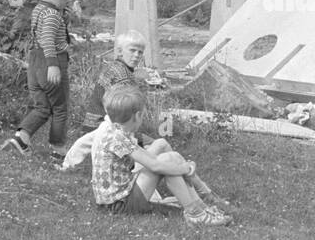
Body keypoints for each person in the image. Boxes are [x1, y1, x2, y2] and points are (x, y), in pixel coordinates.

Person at [62, 85, 232, 226]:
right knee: (166, 161)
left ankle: (199, 207)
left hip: (118, 198)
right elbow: (155, 166)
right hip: (119, 205)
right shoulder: (118, 137)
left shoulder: (113, 129)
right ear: (137, 116)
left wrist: (180, 165)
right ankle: (196, 213)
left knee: (169, 157)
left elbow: (144, 157)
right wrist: (185, 168)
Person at [2, 0, 76, 163]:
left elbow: (45, 31)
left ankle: (21, 138)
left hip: (34, 63)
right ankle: (58, 149)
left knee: (42, 106)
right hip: (51, 61)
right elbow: (48, 39)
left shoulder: (40, 9)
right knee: (60, 108)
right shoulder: (52, 15)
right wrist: (53, 65)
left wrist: (66, 14)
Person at [81, 30, 160, 131]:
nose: (136, 55)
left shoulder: (112, 66)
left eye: (140, 52)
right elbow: (128, 110)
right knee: (159, 144)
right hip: (106, 130)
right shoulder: (123, 76)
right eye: (132, 50)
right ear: (120, 51)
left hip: (91, 125)